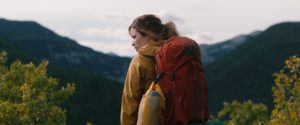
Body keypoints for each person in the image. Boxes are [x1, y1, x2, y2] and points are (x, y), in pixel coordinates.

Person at [120, 14, 178, 125]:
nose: (132, 43)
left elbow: (130, 105)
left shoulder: (140, 60)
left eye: (134, 37)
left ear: (149, 35)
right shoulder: (176, 55)